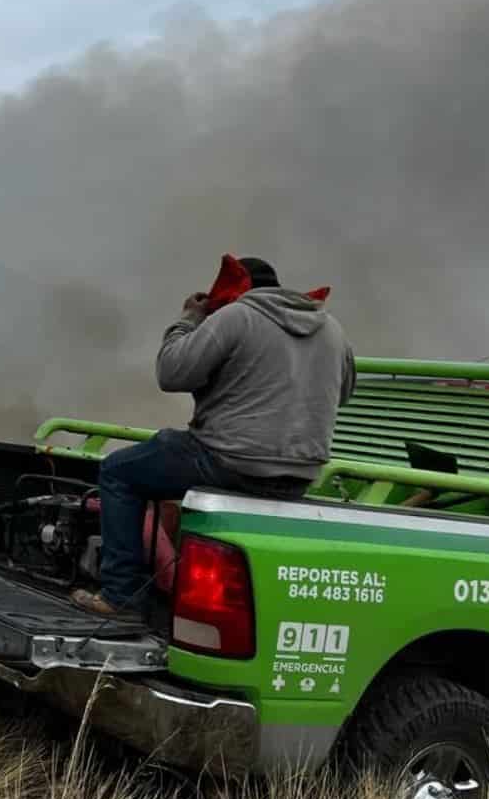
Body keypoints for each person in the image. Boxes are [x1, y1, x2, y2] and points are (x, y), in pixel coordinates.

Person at [73, 256, 355, 622]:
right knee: (166, 450)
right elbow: (344, 392)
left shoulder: (237, 316)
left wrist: (189, 319)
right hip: (298, 476)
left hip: (228, 461)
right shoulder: (332, 328)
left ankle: (121, 596)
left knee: (118, 472)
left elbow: (172, 373)